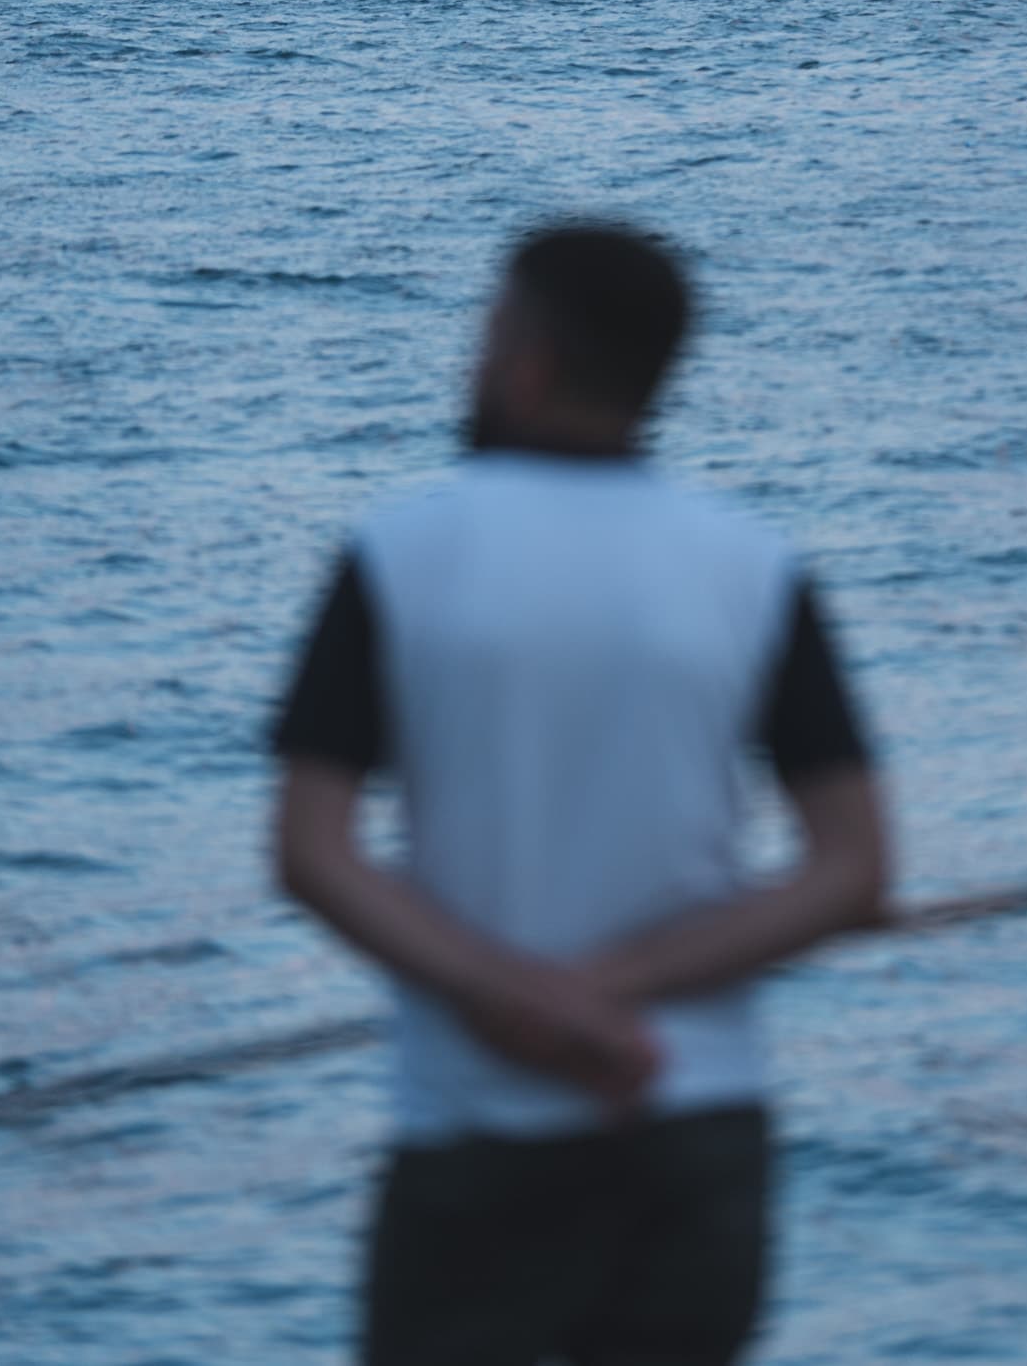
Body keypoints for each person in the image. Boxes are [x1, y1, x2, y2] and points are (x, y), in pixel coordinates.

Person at [271, 222, 888, 1366]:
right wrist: (613, 988)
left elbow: (312, 848)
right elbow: (853, 867)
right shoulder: (751, 561)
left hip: (480, 1120)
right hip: (695, 1114)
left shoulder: (401, 551)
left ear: (526, 355)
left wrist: (520, 997)